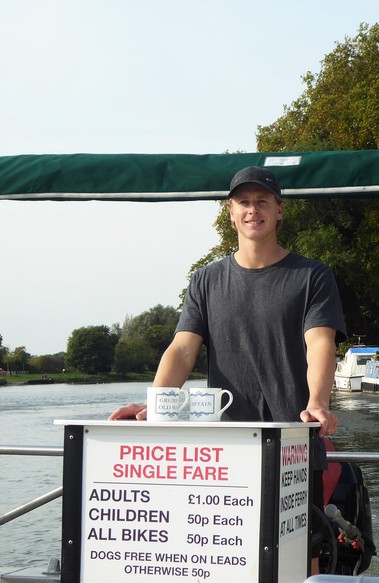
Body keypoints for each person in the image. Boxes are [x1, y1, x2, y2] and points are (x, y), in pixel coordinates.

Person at [109, 165, 347, 571]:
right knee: (228, 556)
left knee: (301, 557)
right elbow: (182, 349)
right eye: (244, 203)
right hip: (224, 451)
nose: (253, 210)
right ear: (230, 212)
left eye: (262, 202)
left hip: (293, 444)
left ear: (279, 211)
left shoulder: (312, 276)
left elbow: (319, 343)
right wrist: (157, 404)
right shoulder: (205, 280)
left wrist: (318, 403)